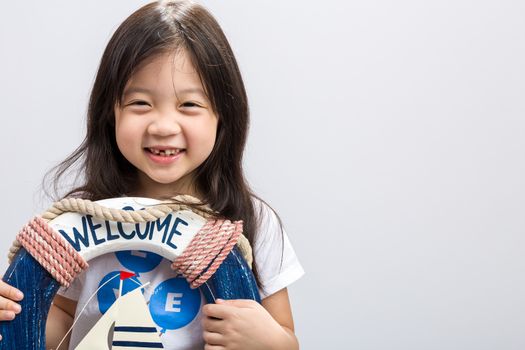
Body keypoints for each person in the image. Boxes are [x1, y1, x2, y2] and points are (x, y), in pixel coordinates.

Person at [0, 1, 304, 349]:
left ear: (223, 117)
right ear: (109, 114)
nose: (162, 126)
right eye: (140, 103)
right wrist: (12, 313)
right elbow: (57, 329)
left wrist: (269, 341)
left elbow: (287, 337)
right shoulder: (79, 217)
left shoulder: (253, 220)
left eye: (189, 105)